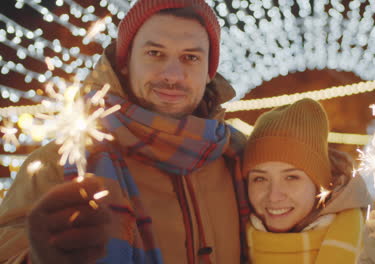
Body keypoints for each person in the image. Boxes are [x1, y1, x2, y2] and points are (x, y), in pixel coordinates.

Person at [0, 0, 247, 263]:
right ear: (126, 62)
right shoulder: (60, 163)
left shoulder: (240, 157)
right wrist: (37, 258)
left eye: (191, 57)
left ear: (209, 71)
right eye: (155, 53)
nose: (173, 75)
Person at [242, 98, 375, 263]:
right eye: (260, 179)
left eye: (291, 177)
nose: (274, 196)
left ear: (320, 184)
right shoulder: (231, 247)